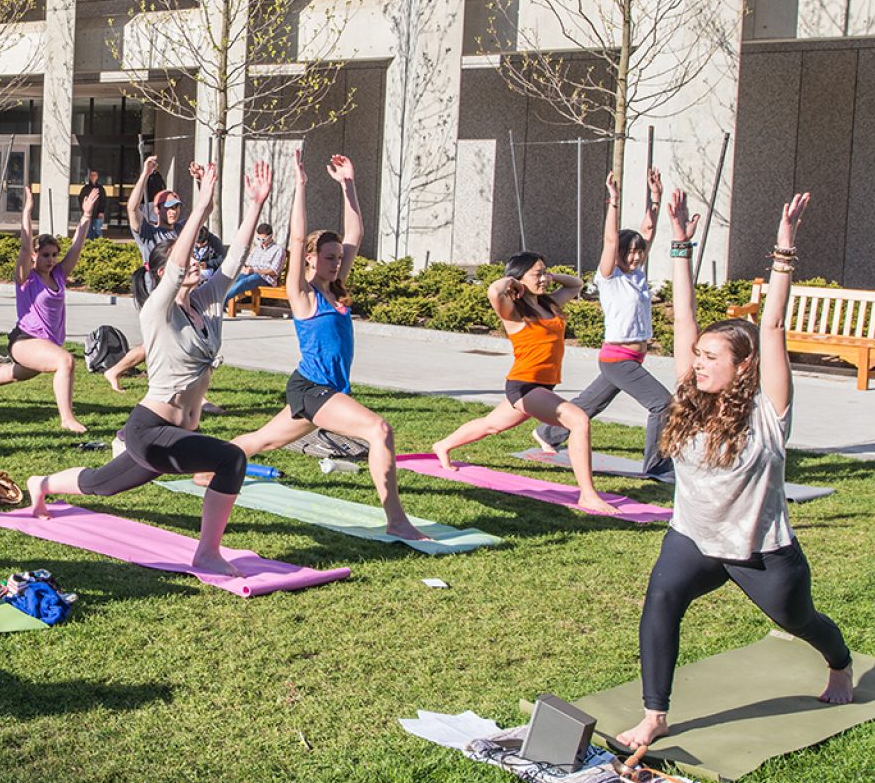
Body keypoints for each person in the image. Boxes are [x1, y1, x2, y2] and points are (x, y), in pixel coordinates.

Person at [615, 188, 854, 751]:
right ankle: (655, 715)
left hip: (761, 550)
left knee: (801, 621)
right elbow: (683, 315)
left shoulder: (769, 412)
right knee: (661, 601)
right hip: (693, 537)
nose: (697, 364)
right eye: (696, 357)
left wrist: (784, 247)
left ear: (743, 367)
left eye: (710, 359)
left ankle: (839, 662)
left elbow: (771, 328)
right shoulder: (689, 398)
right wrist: (678, 242)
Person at [26, 163, 263, 574]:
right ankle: (207, 552)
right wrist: (202, 203)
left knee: (101, 484)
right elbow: (174, 266)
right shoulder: (157, 310)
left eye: (192, 258)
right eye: (181, 260)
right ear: (160, 273)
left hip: (176, 433)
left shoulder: (206, 303)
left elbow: (236, 259)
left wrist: (256, 203)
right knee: (231, 459)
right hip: (152, 430)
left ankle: (41, 485)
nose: (192, 263)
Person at [222, 153, 428, 540]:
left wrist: (348, 186)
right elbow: (297, 239)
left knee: (260, 440)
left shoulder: (333, 289)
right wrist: (301, 186)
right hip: (314, 389)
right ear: (311, 259)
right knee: (379, 430)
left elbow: (356, 236)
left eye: (338, 259)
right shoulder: (302, 293)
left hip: (316, 388)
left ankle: (205, 468)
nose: (336, 263)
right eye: (328, 258)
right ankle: (397, 520)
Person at [429, 252, 618, 514]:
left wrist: (549, 276)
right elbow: (494, 290)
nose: (544, 279)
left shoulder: (549, 303)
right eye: (537, 274)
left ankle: (442, 445)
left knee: (491, 425)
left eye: (545, 272)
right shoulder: (513, 311)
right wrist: (511, 282)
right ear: (519, 278)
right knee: (578, 420)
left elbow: (576, 285)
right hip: (525, 386)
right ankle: (587, 494)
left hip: (542, 386)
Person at [534, 170, 673, 479]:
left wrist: (656, 198)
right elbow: (611, 239)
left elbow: (648, 229)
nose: (636, 257)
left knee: (589, 405)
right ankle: (657, 466)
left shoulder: (637, 275)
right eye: (630, 252)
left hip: (632, 357)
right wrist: (614, 200)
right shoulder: (609, 277)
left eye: (640, 252)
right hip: (618, 358)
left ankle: (549, 433)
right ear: (619, 254)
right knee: (663, 404)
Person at [0, 184, 105, 433]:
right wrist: (27, 211)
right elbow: (25, 246)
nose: (51, 259)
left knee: (19, 373)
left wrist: (86, 216)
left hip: (45, 341)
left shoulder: (58, 274)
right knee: (65, 361)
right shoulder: (26, 278)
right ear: (35, 256)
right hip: (25, 339)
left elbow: (77, 246)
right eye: (45, 255)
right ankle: (67, 418)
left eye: (54, 254)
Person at [104, 156, 225, 391]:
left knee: (175, 339)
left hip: (181, 294)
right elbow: (132, 208)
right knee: (169, 340)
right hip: (156, 292)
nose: (174, 211)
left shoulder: (182, 229)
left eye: (177, 207)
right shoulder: (148, 233)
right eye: (169, 207)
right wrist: (145, 175)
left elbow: (206, 208)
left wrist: (202, 182)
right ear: (157, 209)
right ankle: (190, 392)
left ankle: (117, 370)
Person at [223, 221, 285, 304]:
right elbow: (248, 263)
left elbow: (274, 271)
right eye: (259, 239)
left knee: (243, 283)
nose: (261, 241)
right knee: (233, 280)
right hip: (249, 274)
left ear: (271, 236)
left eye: (264, 239)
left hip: (265, 278)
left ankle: (221, 303)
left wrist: (254, 270)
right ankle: (217, 301)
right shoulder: (257, 249)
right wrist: (245, 267)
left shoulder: (278, 250)